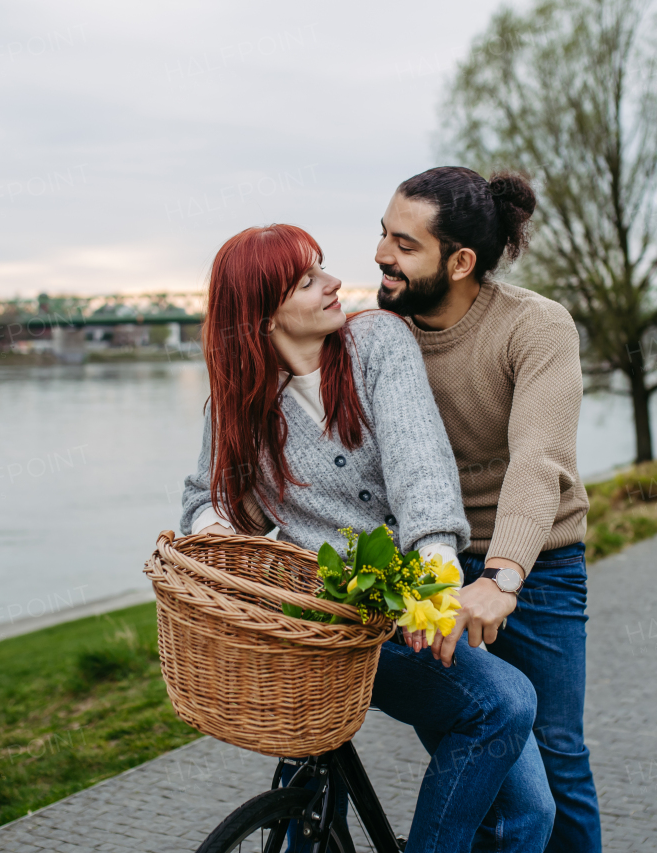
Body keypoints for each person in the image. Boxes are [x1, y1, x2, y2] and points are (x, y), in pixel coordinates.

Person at [180, 223, 554, 852]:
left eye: (323, 267)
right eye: (307, 280)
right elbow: (208, 503)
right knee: (504, 702)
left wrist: (434, 570)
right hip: (324, 627)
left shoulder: (376, 343)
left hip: (414, 605)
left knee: (528, 811)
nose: (334, 284)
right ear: (263, 314)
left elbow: (421, 465)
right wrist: (218, 531)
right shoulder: (240, 405)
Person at [375, 167, 602, 853]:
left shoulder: (536, 327)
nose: (383, 254)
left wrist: (502, 577)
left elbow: (539, 460)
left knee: (558, 753)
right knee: (486, 757)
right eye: (382, 234)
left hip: (536, 564)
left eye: (405, 244)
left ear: (461, 261)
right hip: (432, 559)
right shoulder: (380, 332)